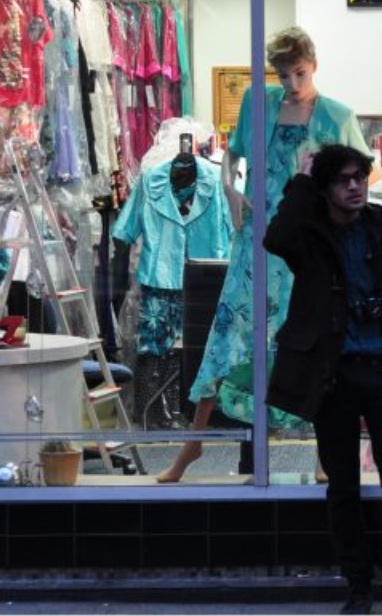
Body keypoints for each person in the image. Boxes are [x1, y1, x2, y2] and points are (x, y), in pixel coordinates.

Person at [157, 27, 367, 483]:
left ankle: (323, 455)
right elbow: (231, 155)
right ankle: (192, 445)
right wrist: (230, 188)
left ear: (313, 64)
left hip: (307, 248)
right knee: (229, 331)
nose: (291, 84)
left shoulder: (335, 116)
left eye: (300, 73)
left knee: (308, 341)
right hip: (256, 239)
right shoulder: (258, 101)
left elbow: (358, 180)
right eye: (283, 73)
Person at [265, 144, 382, 616]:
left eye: (360, 178)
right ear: (325, 188)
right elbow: (275, 237)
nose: (354, 186)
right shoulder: (310, 233)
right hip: (334, 375)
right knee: (342, 485)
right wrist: (301, 182)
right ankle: (358, 588)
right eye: (343, 179)